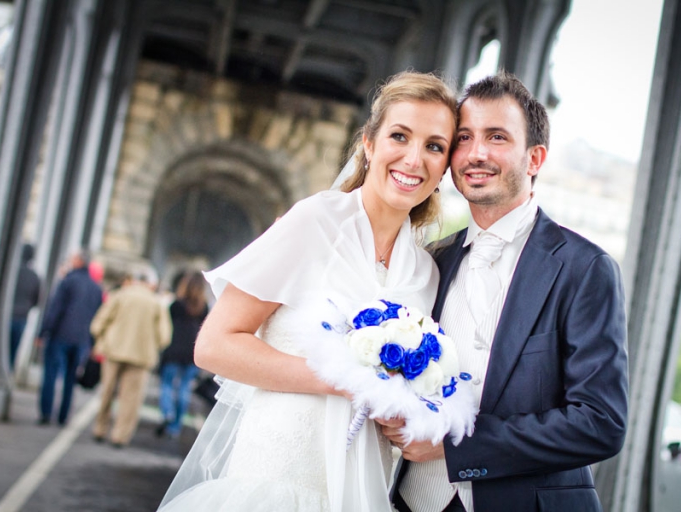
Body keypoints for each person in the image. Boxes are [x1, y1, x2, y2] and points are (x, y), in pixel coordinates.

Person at [157, 70, 457, 512]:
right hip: (275, 480)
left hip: (360, 489)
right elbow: (214, 346)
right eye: (399, 136)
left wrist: (408, 413)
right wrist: (346, 381)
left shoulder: (426, 274)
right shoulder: (314, 222)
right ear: (369, 144)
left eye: (434, 146)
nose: (415, 159)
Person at [382, 71, 629, 512]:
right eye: (464, 138)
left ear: (535, 158)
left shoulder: (585, 269)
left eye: (497, 137)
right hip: (408, 501)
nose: (476, 154)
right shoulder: (430, 261)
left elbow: (601, 423)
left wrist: (455, 446)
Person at [90, 268, 172, 447]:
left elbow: (98, 324)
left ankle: (100, 429)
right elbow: (164, 336)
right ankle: (120, 436)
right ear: (151, 283)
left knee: (107, 392)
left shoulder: (120, 296)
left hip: (113, 350)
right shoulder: (156, 303)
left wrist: (101, 340)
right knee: (130, 398)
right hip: (141, 357)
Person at [38, 249, 103, 425]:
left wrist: (43, 332)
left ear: (78, 262)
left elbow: (55, 309)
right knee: (70, 379)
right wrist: (92, 342)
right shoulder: (96, 288)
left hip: (61, 335)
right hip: (82, 339)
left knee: (51, 374)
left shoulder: (68, 281)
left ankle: (45, 413)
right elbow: (98, 317)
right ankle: (63, 416)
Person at [156, 270, 209, 438]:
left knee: (167, 384)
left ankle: (167, 412)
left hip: (173, 350)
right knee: (185, 388)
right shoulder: (204, 308)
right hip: (192, 353)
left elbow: (166, 326)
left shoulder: (176, 305)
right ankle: (176, 426)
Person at [10, 243, 41, 370]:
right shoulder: (34, 277)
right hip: (21, 318)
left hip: (6, 316)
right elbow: (37, 300)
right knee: (12, 352)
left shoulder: (12, 272)